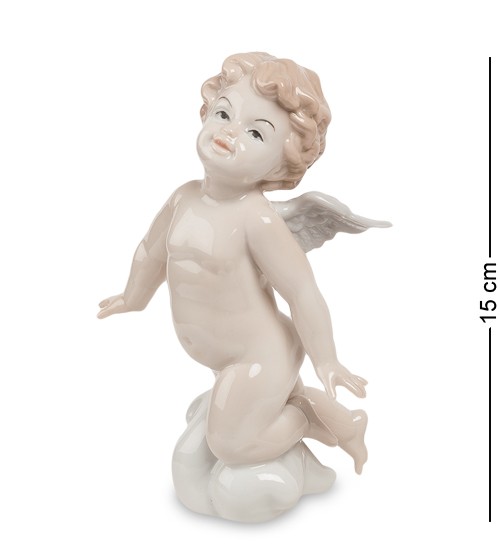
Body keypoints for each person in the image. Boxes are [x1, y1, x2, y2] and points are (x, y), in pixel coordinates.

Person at [98, 52, 368, 473]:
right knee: (235, 417)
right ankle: (338, 422)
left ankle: (303, 417)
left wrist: (327, 360)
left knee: (232, 445)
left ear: (282, 162)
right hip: (225, 357)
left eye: (256, 133)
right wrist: (133, 297)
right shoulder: (184, 197)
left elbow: (301, 291)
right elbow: (151, 250)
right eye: (224, 113)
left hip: (258, 354)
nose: (230, 131)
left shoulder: (256, 218)